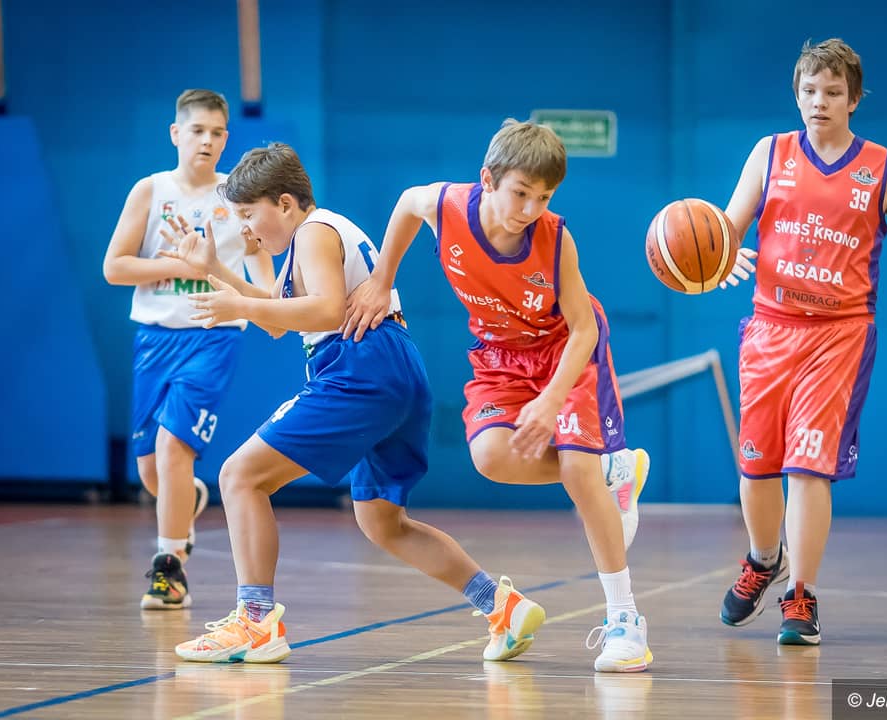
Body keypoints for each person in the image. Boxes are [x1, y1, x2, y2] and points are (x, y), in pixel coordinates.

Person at [165, 142, 545, 664]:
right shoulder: (315, 237)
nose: (247, 231)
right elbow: (278, 316)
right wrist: (218, 272)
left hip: (360, 365)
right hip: (395, 367)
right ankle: (499, 605)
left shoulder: (313, 232)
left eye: (249, 215)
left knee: (239, 477)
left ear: (284, 204)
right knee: (382, 521)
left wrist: (240, 305)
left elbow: (324, 311)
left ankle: (255, 622)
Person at [343, 120, 653, 672]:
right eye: (520, 193)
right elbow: (408, 203)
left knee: (578, 471)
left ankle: (625, 619)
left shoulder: (555, 240)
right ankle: (613, 471)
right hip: (499, 354)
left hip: (565, 350)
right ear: (487, 179)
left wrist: (553, 399)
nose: (530, 208)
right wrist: (381, 280)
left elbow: (583, 328)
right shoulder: (446, 207)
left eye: (543, 197)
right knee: (490, 457)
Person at [716, 38, 887, 645]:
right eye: (810, 90)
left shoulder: (884, 167)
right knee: (756, 465)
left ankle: (801, 595)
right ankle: (764, 559)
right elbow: (728, 226)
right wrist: (719, 253)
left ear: (854, 99)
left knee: (808, 467)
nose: (820, 101)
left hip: (840, 333)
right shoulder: (770, 153)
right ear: (797, 94)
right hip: (770, 327)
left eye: (833, 92)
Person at [103, 89, 275, 610]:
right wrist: (183, 264)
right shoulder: (151, 190)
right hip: (155, 338)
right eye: (197, 130)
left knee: (173, 446)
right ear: (176, 134)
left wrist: (234, 286)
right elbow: (115, 267)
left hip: (213, 335)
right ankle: (190, 499)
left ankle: (169, 568)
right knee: (152, 471)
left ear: (227, 139)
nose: (207, 140)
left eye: (217, 132)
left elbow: (265, 288)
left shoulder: (237, 198)